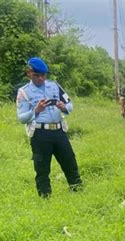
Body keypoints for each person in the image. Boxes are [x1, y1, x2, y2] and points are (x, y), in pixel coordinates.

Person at [16, 57, 82, 198]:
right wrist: (36, 111)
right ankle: (45, 197)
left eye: (43, 75)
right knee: (42, 167)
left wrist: (64, 107)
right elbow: (21, 117)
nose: (40, 78)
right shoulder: (23, 92)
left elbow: (70, 104)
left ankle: (77, 191)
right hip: (40, 133)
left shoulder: (54, 86)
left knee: (70, 161)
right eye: (36, 75)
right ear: (29, 73)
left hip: (59, 131)